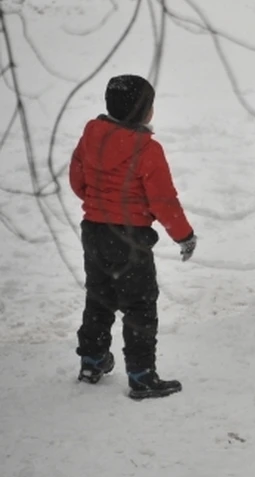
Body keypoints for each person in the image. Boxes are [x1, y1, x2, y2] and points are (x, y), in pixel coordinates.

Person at [69, 74, 197, 399]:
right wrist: (183, 235)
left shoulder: (91, 136)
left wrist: (97, 203)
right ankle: (141, 376)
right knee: (139, 306)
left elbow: (77, 179)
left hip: (94, 230)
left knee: (98, 298)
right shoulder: (147, 149)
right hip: (130, 236)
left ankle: (92, 362)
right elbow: (163, 200)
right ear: (146, 112)